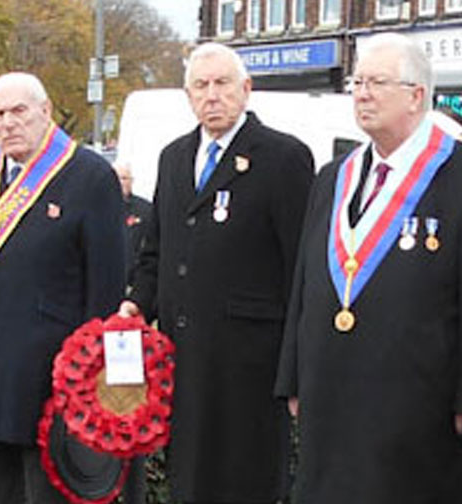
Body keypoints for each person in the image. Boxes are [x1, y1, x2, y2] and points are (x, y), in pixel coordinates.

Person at [274, 33, 462, 501]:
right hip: (333, 393)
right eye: (357, 81)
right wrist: (295, 375)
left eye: (377, 82)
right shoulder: (335, 177)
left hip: (420, 400)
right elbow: (305, 284)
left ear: (416, 95)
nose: (362, 93)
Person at [118, 42, 314, 503]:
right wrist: (135, 306)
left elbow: (301, 271)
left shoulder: (283, 158)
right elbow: (157, 250)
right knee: (190, 482)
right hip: (183, 361)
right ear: (187, 95)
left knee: (246, 484)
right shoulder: (174, 157)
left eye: (222, 83)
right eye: (200, 86)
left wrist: (297, 369)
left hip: (251, 368)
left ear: (246, 89)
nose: (212, 95)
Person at [0, 72, 125, 503]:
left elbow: (106, 285)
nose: (7, 123)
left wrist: (92, 371)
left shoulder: (90, 176)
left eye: (18, 111)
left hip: (47, 375)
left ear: (45, 111)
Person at [115, 161, 152, 278]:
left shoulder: (145, 209)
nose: (120, 183)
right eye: (116, 178)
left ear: (131, 181)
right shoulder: (98, 209)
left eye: (124, 178)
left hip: (135, 280)